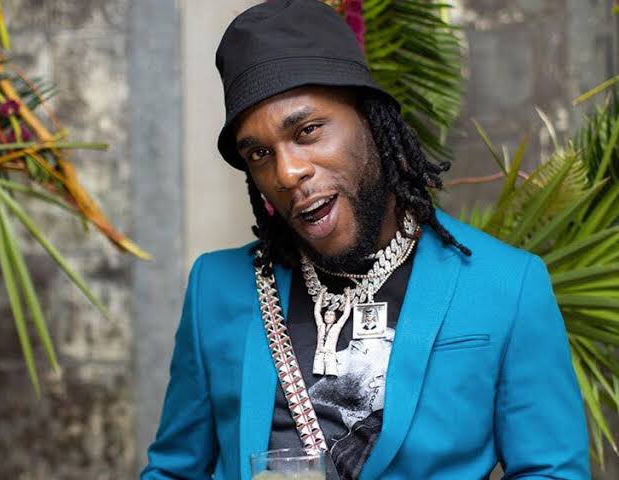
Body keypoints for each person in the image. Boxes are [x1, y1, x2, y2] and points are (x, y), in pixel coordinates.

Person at [141, 1, 590, 479]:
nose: (288, 172)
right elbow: (173, 471)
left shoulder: (507, 285)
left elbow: (552, 471)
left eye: (307, 131)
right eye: (260, 153)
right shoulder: (216, 287)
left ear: (371, 121)